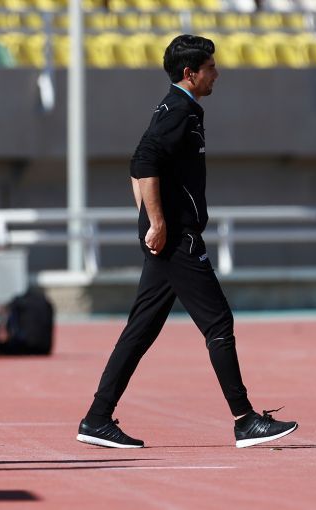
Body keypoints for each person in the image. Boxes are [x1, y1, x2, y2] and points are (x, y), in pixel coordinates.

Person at [77, 35, 298, 449]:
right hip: (178, 238)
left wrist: (148, 219)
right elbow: (143, 161)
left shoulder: (177, 108)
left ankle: (96, 418)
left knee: (140, 330)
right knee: (218, 323)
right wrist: (156, 221)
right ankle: (245, 420)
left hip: (169, 237)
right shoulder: (179, 110)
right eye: (210, 68)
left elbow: (138, 163)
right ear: (189, 73)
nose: (217, 73)